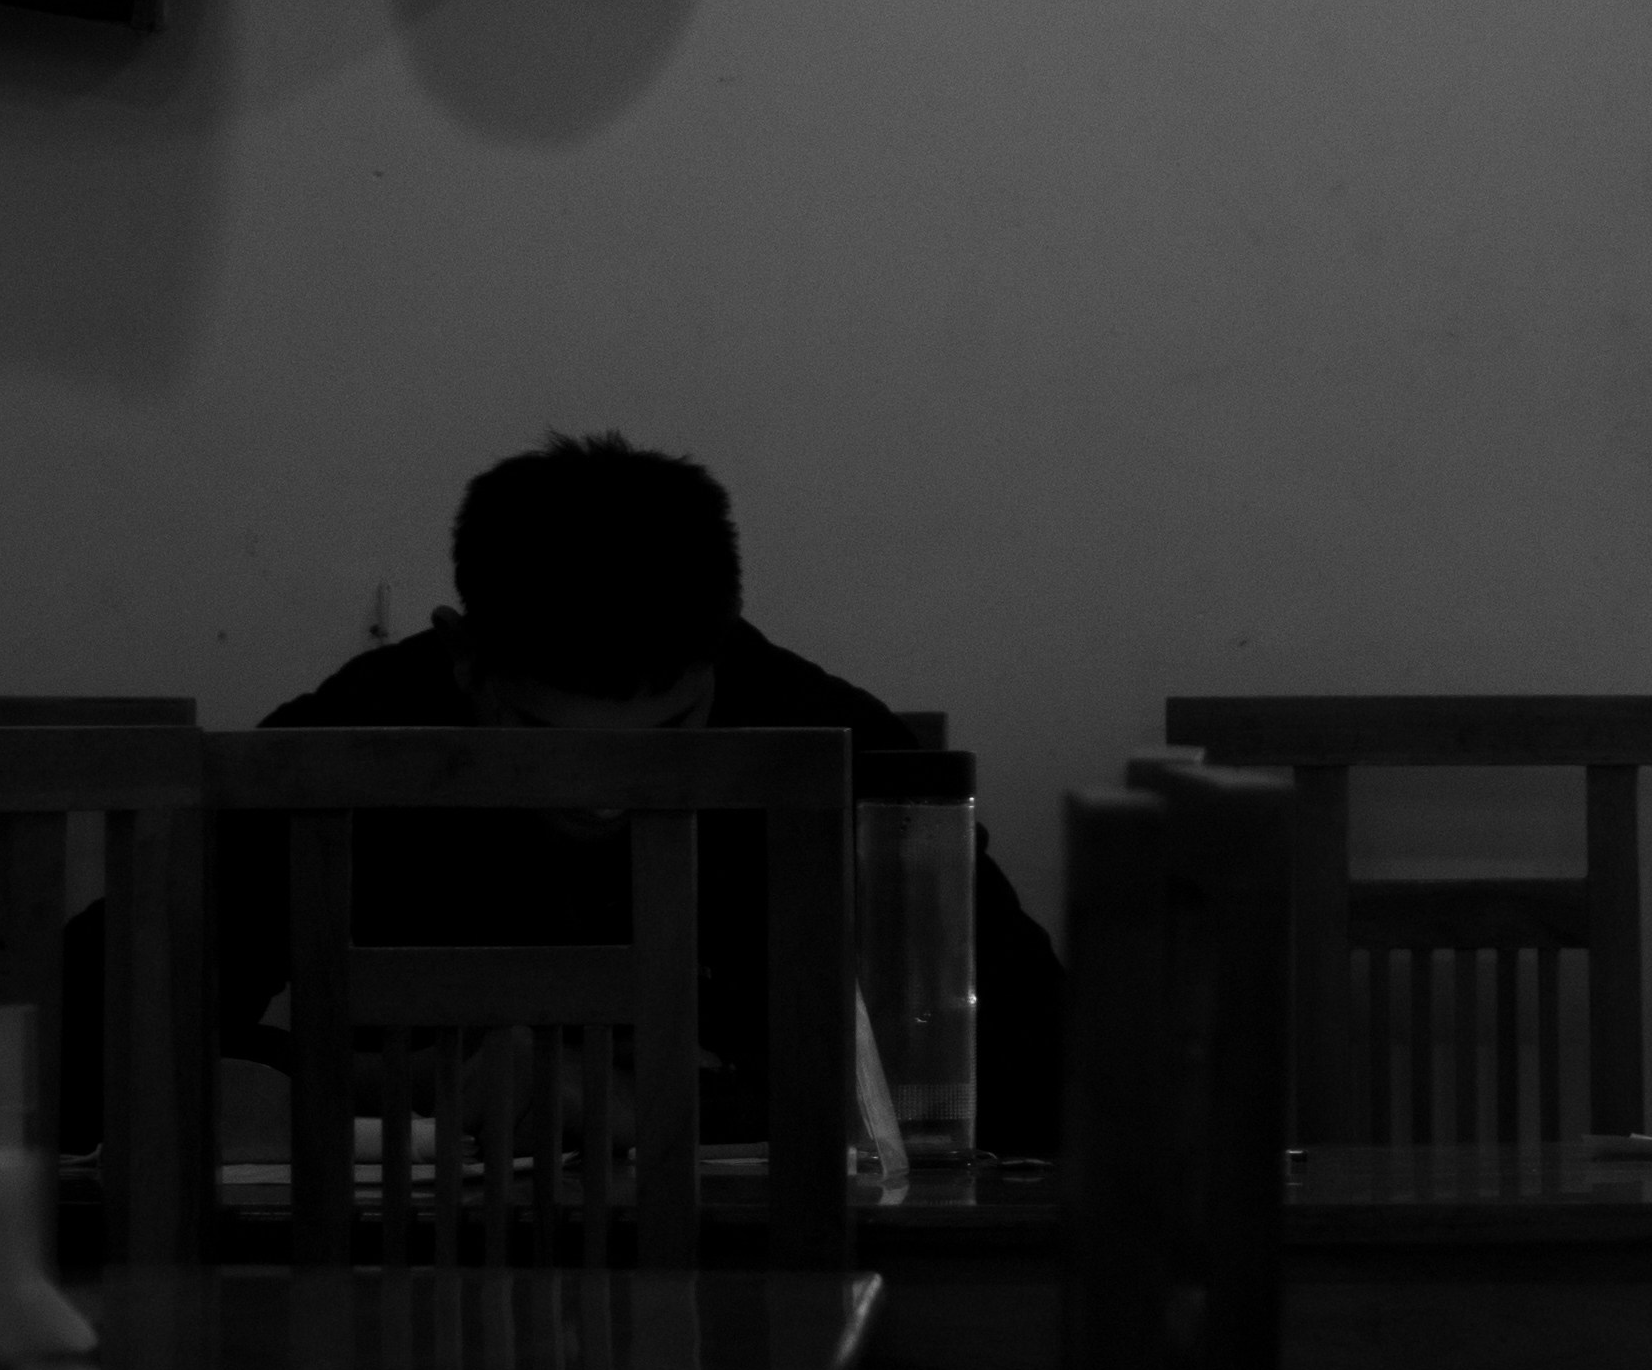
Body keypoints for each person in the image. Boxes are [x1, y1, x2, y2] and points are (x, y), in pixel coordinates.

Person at [233, 433, 1064, 1160]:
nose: (603, 799)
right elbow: (121, 1024)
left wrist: (662, 1103)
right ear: (463, 656)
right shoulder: (355, 741)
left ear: (722, 658)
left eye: (670, 736)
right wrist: (409, 1082)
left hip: (756, 1267)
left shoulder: (824, 745)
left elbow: (1038, 1068)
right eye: (541, 739)